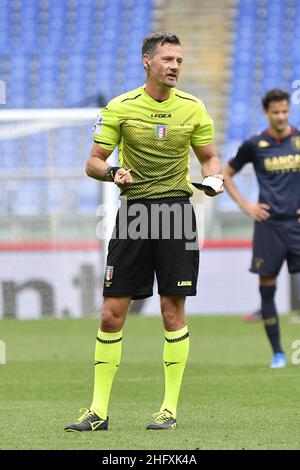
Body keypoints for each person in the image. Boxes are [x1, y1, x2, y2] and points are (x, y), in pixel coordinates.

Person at [64, 32, 224, 432]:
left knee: (173, 311)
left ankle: (168, 409)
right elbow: (92, 162)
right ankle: (98, 411)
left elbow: (209, 157)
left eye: (180, 61)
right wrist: (113, 171)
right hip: (133, 214)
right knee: (111, 313)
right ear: (147, 61)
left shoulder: (194, 108)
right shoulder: (120, 107)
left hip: (176, 214)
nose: (174, 66)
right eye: (168, 59)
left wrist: (214, 178)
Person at [223, 89, 300, 368]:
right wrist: (246, 206)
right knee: (267, 288)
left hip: (296, 224)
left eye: (285, 111)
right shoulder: (254, 144)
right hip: (268, 227)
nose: (281, 116)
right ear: (266, 112)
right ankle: (279, 353)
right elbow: (226, 174)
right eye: (276, 112)